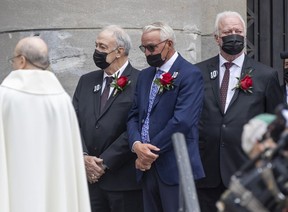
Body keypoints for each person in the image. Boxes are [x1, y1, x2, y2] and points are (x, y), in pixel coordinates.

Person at [195, 11, 283, 212]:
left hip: (246, 170)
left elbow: (275, 123)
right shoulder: (197, 73)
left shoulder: (265, 75)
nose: (233, 35)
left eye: (238, 31)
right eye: (228, 31)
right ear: (217, 38)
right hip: (206, 171)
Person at [0, 36, 90, 212]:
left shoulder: (5, 96)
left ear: (22, 60)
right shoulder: (61, 100)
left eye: (14, 59)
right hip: (54, 192)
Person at [127, 22, 205, 212]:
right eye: (143, 48)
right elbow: (134, 115)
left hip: (175, 168)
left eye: (151, 47)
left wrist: (148, 154)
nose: (147, 53)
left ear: (168, 44)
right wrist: (136, 144)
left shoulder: (190, 74)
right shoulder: (145, 76)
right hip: (147, 171)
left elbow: (182, 121)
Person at [72, 25, 143, 212]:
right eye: (96, 45)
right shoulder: (86, 81)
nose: (97, 51)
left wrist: (104, 163)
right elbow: (73, 123)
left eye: (102, 47)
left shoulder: (141, 81)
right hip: (88, 182)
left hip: (123, 181)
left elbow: (138, 126)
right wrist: (84, 157)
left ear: (119, 51)